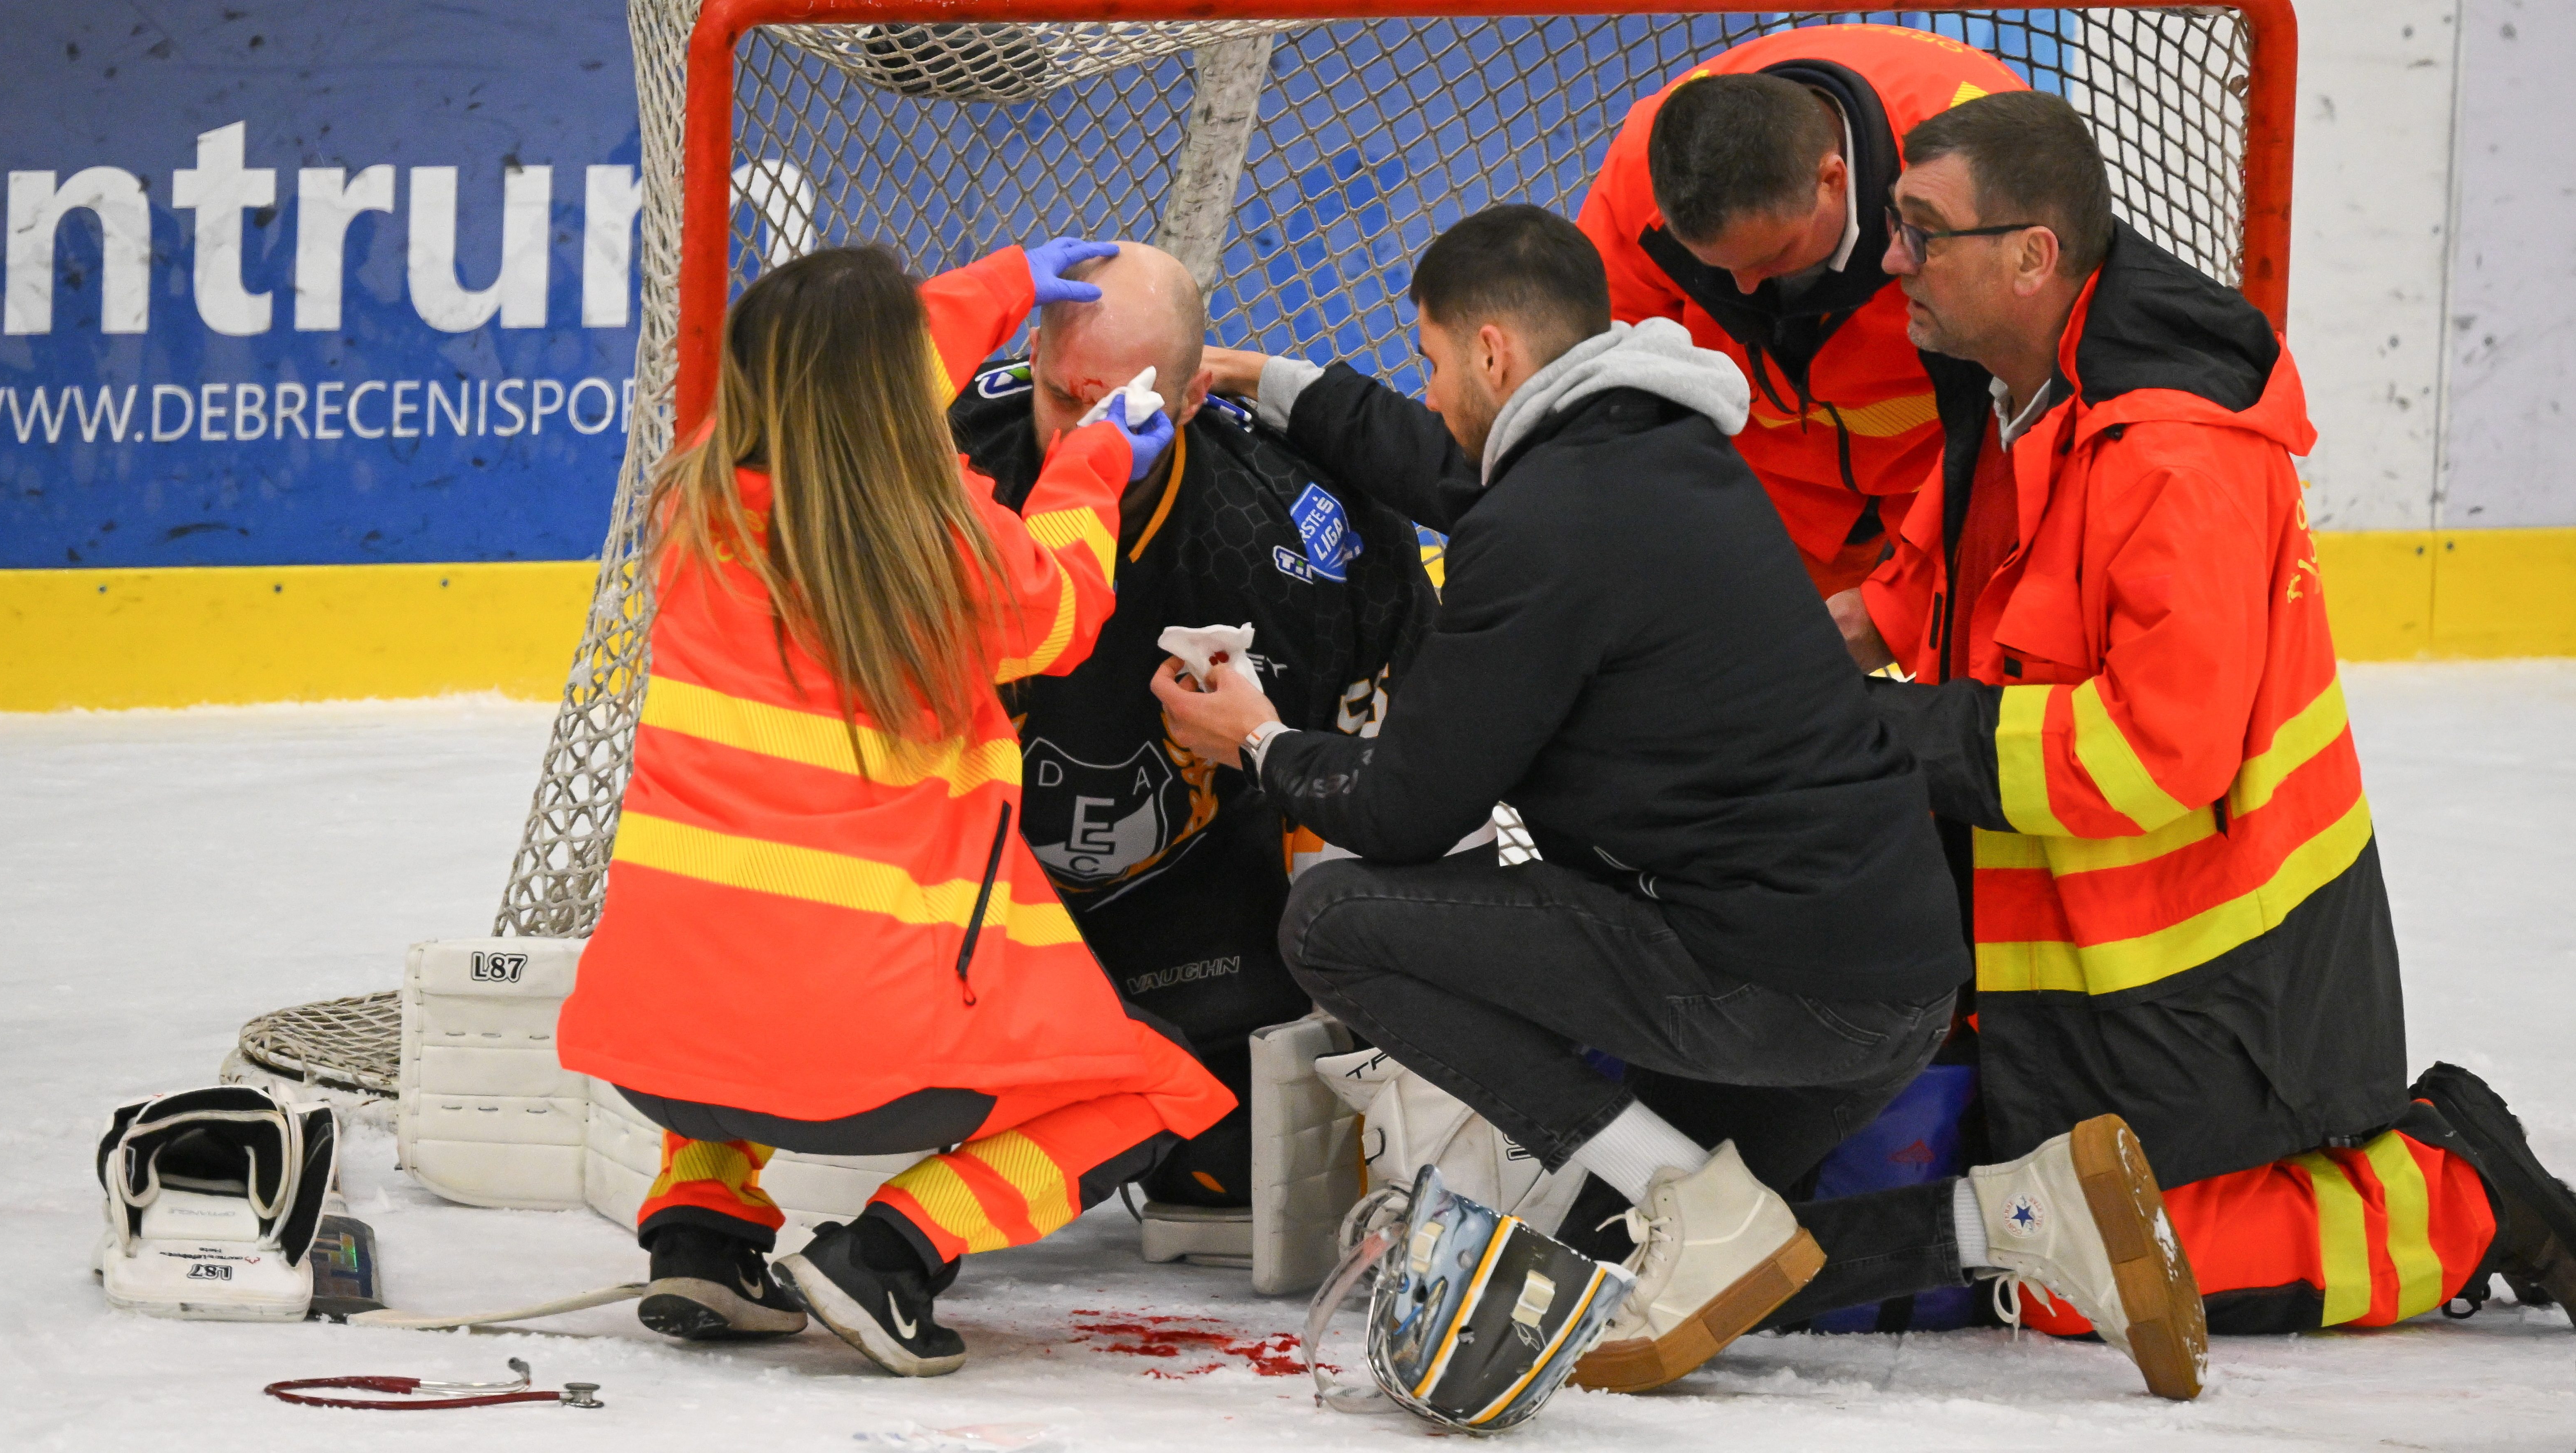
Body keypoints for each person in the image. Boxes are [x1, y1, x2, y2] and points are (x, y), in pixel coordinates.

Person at [1173, 203, 2206, 1400]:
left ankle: (1692, 1207)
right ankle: (2013, 1217)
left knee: (1335, 924)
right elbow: (1459, 470)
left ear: (1496, 355)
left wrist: (1259, 740)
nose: (1434, 385)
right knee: (1632, 1255)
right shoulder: (1651, 450)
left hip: (1775, 980)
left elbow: (1401, 812)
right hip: (1896, 971)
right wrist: (1278, 383)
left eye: (1433, 359)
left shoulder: (1543, 527)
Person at [1821, 89, 2576, 1337]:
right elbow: (1935, 585)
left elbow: (2154, 753)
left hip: (2222, 972)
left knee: (2070, 1278)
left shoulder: (2176, 455)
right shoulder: (2011, 388)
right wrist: (1757, 662)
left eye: (1918, 231)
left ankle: (2454, 1190)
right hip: (2076, 937)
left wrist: (1894, 738)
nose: (1890, 260)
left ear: (2032, 256)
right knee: (2018, 1222)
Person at [556, 237, 1235, 1379]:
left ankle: (702, 1228)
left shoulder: (698, 509)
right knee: (1151, 1084)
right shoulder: (954, 555)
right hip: (873, 1072)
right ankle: (892, 1253)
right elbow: (1066, 609)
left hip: (654, 1044)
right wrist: (1096, 458)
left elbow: (840, 365)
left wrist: (1010, 280)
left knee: (738, 939)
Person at [944, 241, 1434, 1211]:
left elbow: (1385, 790)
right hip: (970, 898)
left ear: (1186, 402)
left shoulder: (1296, 531)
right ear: (1032, 360)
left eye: (1111, 413)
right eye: (1057, 397)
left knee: (1230, 1165)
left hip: (1183, 906)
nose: (1072, 437)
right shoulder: (934, 457)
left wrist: (1265, 746)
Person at [1577, 23, 2025, 596]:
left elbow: (2041, 398)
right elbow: (1596, 365)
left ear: (1830, 180)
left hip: (1949, 485)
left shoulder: (1986, 183)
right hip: (1754, 495)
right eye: (1713, 266)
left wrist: (1902, 607)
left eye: (1772, 256)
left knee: (1978, 644)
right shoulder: (1650, 170)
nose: (1740, 289)